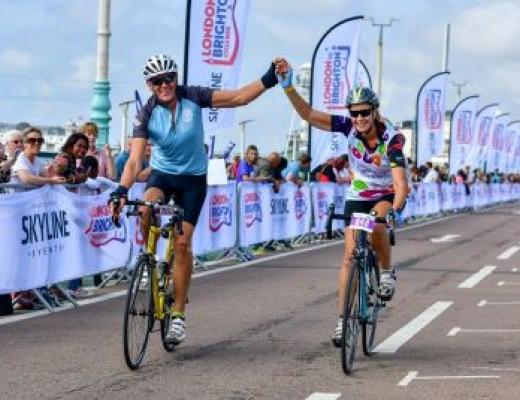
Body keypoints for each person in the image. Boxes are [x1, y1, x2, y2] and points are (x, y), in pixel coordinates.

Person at [109, 54, 279, 345]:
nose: (165, 85)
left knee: (182, 243)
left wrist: (269, 78)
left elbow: (238, 98)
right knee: (146, 207)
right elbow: (135, 161)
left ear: (176, 78)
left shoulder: (193, 96)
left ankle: (177, 316)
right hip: (162, 175)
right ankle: (148, 261)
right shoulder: (146, 113)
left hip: (193, 180)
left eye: (169, 78)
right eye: (157, 81)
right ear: (149, 85)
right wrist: (121, 191)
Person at [275, 58, 408, 346]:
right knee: (349, 256)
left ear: (375, 112)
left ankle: (386, 273)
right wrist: (288, 89)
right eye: (355, 113)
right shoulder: (348, 128)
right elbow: (309, 114)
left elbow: (400, 184)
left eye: (364, 113)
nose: (359, 118)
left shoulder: (392, 139)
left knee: (377, 225)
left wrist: (395, 211)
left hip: (386, 194)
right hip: (358, 194)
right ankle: (342, 320)